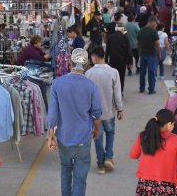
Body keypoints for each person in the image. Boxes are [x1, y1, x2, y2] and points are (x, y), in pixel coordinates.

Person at [47, 48, 103, 196]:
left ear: (70, 63)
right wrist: (96, 129)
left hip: (64, 137)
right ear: (86, 65)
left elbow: (52, 114)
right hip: (83, 139)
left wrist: (50, 136)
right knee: (80, 178)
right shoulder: (91, 86)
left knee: (65, 171)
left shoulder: (57, 83)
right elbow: (97, 114)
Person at [130, 109, 177, 196]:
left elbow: (133, 155)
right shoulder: (175, 139)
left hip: (145, 184)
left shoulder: (143, 135)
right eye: (173, 124)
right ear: (169, 124)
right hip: (167, 184)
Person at [85, 46, 123, 174]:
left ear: (94, 57)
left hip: (95, 115)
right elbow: (117, 93)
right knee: (110, 134)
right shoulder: (113, 72)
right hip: (109, 112)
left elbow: (86, 95)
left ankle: (101, 165)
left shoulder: (89, 73)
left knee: (97, 137)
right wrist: (120, 109)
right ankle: (109, 157)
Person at [106, 21, 133, 93]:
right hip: (122, 61)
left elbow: (107, 50)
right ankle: (120, 91)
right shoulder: (125, 38)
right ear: (122, 29)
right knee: (121, 76)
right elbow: (128, 50)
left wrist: (105, 60)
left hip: (112, 60)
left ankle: (113, 90)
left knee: (112, 76)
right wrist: (130, 61)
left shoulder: (110, 37)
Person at [137, 16, 161, 94]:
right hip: (152, 55)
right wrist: (159, 54)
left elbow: (138, 43)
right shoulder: (153, 32)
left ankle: (142, 88)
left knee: (142, 72)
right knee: (151, 72)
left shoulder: (141, 31)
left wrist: (139, 52)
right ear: (151, 22)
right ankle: (151, 89)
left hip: (143, 54)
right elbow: (157, 45)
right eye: (155, 23)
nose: (156, 25)